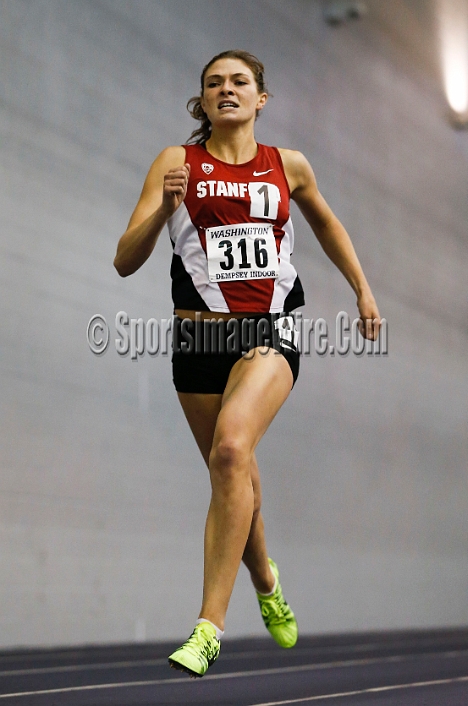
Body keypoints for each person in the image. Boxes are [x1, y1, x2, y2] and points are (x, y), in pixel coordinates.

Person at [114, 49, 380, 678]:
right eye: (214, 83)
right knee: (233, 475)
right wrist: (161, 208)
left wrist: (362, 290)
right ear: (203, 101)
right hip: (196, 343)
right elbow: (125, 259)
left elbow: (328, 223)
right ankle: (266, 577)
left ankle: (208, 628)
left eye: (239, 82)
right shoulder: (176, 163)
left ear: (261, 98)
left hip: (270, 331)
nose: (226, 89)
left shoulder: (287, 166)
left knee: (232, 451)